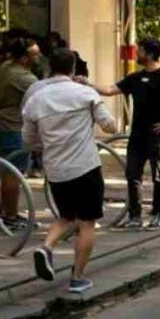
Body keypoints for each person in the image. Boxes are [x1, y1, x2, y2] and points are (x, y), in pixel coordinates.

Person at [22, 48, 117, 293]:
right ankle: (78, 277)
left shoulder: (36, 99)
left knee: (66, 216)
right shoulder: (85, 93)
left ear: (48, 67)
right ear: (73, 67)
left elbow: (28, 140)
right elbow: (110, 126)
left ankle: (46, 246)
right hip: (85, 166)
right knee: (87, 222)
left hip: (55, 169)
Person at [82, 37, 160, 230]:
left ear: (149, 54)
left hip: (157, 135)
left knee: (159, 176)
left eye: (139, 50)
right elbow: (109, 90)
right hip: (137, 134)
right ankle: (135, 216)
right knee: (133, 175)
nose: (136, 54)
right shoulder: (135, 78)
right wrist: (87, 84)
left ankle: (157, 215)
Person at [0, 35, 40, 230]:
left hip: (0, 124)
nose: (38, 58)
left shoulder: (4, 67)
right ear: (25, 58)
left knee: (7, 170)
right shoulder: (23, 77)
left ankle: (4, 211)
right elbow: (41, 94)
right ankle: (11, 216)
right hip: (12, 126)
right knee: (14, 173)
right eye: (35, 55)